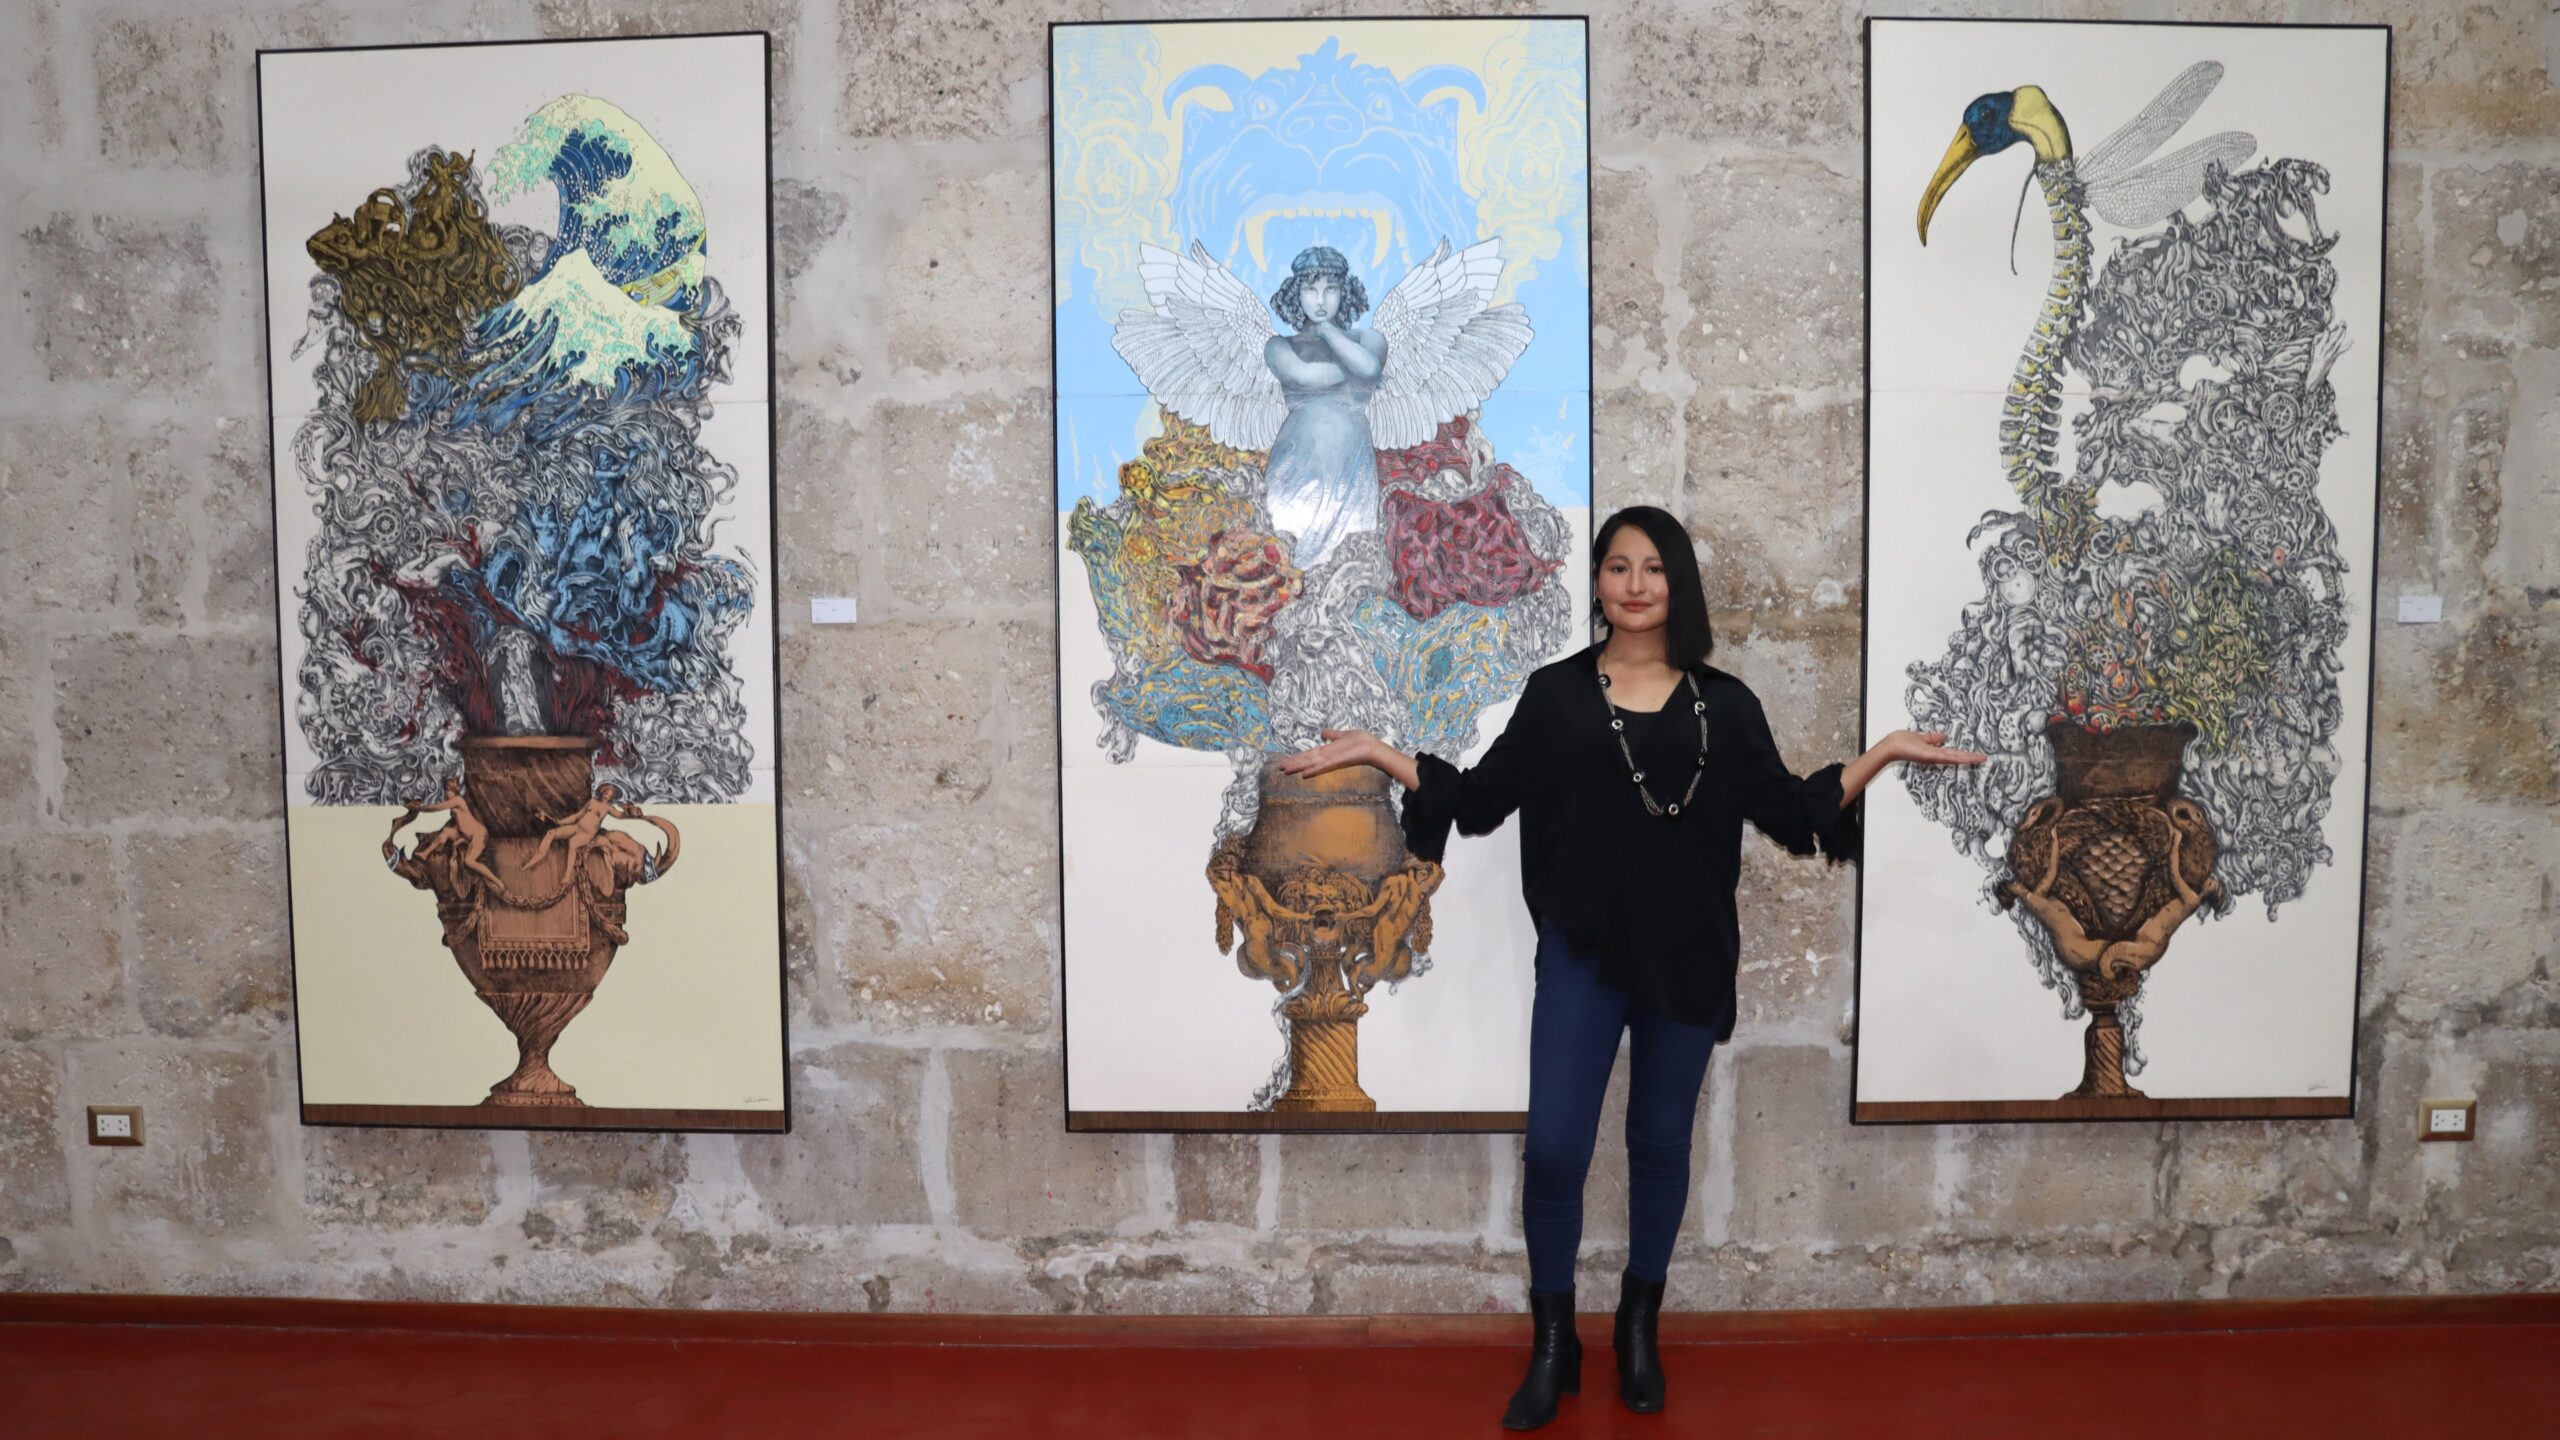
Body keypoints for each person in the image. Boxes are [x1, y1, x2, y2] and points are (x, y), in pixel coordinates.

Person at [1278, 505, 1985, 1429]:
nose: (1637, 584)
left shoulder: (1726, 704)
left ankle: (1638, 1327)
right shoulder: (1556, 696)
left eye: (1654, 567)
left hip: (1687, 958)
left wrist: (1883, 753)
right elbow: (1482, 800)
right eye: (1619, 566)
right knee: (1556, 1149)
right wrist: (1380, 752)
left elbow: (1789, 810)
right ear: (1600, 583)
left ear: (1678, 583)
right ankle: (1552, 1343)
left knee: (1658, 1144)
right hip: (1583, 952)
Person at [1261, 245, 1385, 568]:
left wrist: (1328, 330)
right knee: (1291, 555)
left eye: (1331, 289)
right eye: (1310, 289)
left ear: (1345, 292)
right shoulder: (1279, 346)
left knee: (1349, 560)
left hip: (1351, 462)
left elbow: (1369, 367)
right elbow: (1304, 376)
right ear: (1296, 293)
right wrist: (1352, 371)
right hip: (1296, 461)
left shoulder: (1369, 340)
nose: (1320, 300)